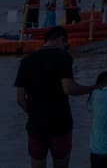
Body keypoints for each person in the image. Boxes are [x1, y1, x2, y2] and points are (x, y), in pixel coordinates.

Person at [15, 24, 94, 168]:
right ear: (61, 40)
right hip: (60, 125)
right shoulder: (63, 57)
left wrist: (33, 112)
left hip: (36, 126)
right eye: (66, 44)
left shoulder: (26, 61)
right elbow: (68, 88)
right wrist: (91, 89)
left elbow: (20, 99)